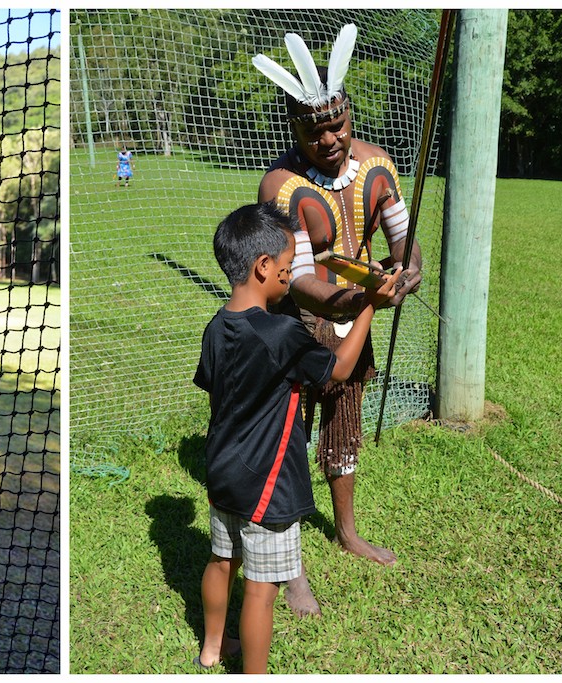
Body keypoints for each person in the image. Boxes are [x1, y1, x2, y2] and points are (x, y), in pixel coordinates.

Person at [253, 24, 423, 614]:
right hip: (301, 323)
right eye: (314, 129)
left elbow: (406, 241)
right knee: (288, 432)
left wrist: (407, 272)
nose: (329, 139)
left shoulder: (378, 165)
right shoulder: (282, 185)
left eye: (337, 125)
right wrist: (358, 302)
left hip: (358, 307)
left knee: (344, 422)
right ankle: (287, 552)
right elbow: (296, 279)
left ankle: (346, 529)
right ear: (294, 130)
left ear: (349, 119)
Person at [193, 202, 400, 673]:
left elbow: (215, 396)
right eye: (287, 266)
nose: (291, 275)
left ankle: (210, 648)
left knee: (221, 560)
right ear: (263, 266)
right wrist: (371, 303)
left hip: (222, 470)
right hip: (268, 484)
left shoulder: (215, 325)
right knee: (261, 590)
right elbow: (340, 369)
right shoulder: (282, 332)